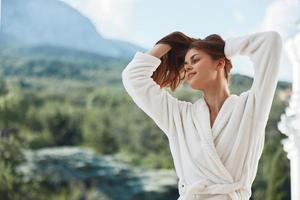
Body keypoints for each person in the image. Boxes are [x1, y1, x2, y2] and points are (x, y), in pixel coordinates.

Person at [121, 30, 283, 200]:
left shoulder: (251, 108)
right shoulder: (179, 117)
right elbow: (133, 77)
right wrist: (172, 42)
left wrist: (222, 47)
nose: (187, 67)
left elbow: (271, 42)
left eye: (195, 59)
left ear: (220, 64)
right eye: (185, 63)